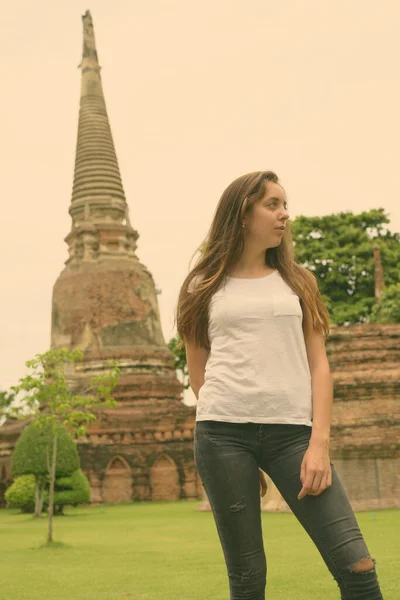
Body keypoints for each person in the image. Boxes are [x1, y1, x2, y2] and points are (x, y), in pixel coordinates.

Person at [175, 171, 384, 600]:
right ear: (243, 212)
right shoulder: (202, 285)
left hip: (293, 435)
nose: (285, 214)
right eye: (273, 204)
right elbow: (200, 373)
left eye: (285, 204)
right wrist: (234, 445)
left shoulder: (298, 282)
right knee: (248, 579)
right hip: (223, 436)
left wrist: (319, 444)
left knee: (358, 567)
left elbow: (319, 366)